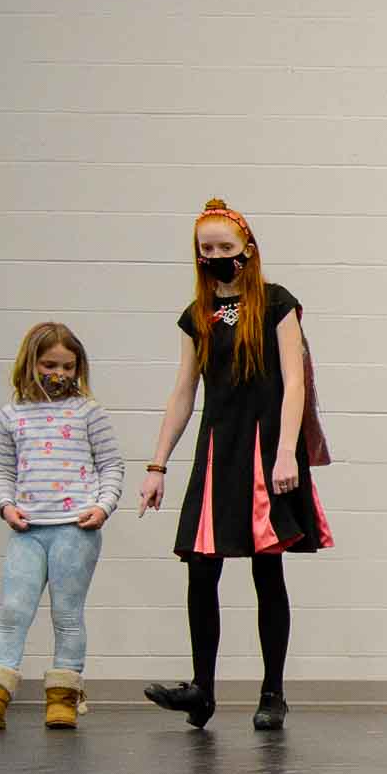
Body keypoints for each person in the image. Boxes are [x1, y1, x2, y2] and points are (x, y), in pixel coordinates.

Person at [137, 200, 332, 731]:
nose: (217, 256)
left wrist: (287, 450)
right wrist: (158, 465)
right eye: (207, 249)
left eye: (226, 248)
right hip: (217, 451)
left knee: (267, 569)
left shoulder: (275, 304)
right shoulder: (196, 315)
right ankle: (202, 688)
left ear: (247, 250)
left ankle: (273, 691)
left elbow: (295, 380)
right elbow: (183, 392)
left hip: (266, 451)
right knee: (202, 569)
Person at [0, 324, 123, 732]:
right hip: (27, 529)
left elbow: (111, 466)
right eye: (49, 364)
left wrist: (102, 507)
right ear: (30, 363)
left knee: (66, 615)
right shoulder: (10, 416)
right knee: (13, 610)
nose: (58, 374)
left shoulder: (89, 412)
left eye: (68, 366)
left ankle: (62, 698)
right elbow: (2, 470)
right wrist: (6, 506)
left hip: (75, 529)